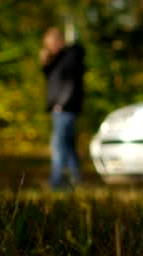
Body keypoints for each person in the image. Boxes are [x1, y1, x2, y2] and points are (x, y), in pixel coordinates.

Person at [40, 27, 85, 189]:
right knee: (69, 146)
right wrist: (45, 63)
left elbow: (71, 84)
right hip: (63, 108)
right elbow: (53, 78)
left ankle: (56, 182)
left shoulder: (70, 57)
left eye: (50, 45)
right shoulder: (60, 59)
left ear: (59, 41)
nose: (49, 49)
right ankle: (76, 181)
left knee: (58, 146)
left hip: (64, 109)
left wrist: (62, 104)